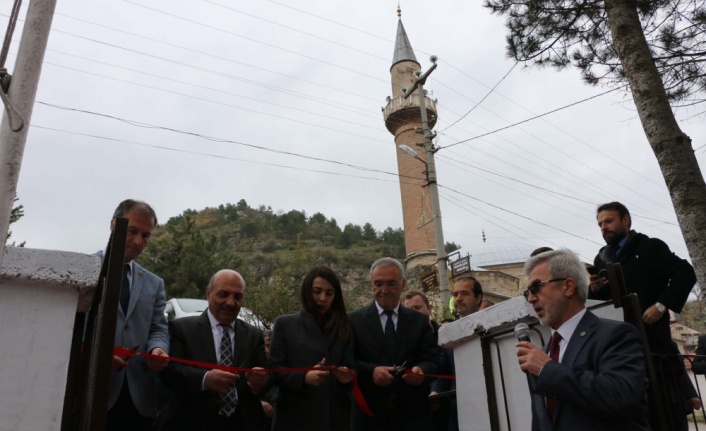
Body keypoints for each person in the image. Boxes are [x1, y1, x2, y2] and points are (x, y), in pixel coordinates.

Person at [589, 201, 696, 430]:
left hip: (654, 346)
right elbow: (607, 301)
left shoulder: (649, 247)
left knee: (666, 412)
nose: (604, 227)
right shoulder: (601, 259)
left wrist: (661, 305)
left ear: (625, 220)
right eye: (600, 224)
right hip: (621, 347)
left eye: (609, 221)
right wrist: (595, 290)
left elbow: (685, 273)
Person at [518, 248, 650, 431]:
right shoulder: (546, 351)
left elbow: (621, 395)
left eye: (536, 287)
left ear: (568, 286)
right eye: (528, 293)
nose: (531, 299)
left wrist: (548, 369)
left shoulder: (616, 334)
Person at [160, 270, 269, 431]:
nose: (230, 302)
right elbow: (169, 373)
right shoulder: (181, 328)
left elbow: (265, 380)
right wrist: (204, 379)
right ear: (208, 293)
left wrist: (257, 383)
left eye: (237, 297)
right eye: (223, 294)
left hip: (241, 423)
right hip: (192, 422)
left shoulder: (254, 335)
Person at [348, 257, 440, 431]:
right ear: (371, 285)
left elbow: (433, 361)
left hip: (413, 416)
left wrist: (421, 372)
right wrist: (372, 372)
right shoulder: (353, 321)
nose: (384, 290)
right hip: (369, 417)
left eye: (391, 284)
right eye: (378, 284)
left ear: (403, 284)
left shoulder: (420, 321)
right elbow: (346, 361)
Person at [104, 199, 169, 431]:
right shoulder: (88, 270)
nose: (138, 241)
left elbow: (158, 328)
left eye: (146, 235)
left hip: (139, 398)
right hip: (93, 394)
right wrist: (97, 358)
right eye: (132, 231)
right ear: (113, 224)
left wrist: (158, 349)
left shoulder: (154, 283)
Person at [268, 266, 355, 431]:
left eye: (329, 293)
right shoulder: (285, 324)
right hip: (294, 417)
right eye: (317, 291)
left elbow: (351, 366)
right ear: (307, 291)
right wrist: (304, 377)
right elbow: (274, 370)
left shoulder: (344, 326)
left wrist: (347, 376)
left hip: (334, 417)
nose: (322, 298)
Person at [430, 276, 483, 431]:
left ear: (478, 298)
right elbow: (445, 373)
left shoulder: (492, 329)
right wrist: (435, 391)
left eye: (464, 294)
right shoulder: (449, 334)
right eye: (455, 295)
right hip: (459, 414)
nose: (458, 299)